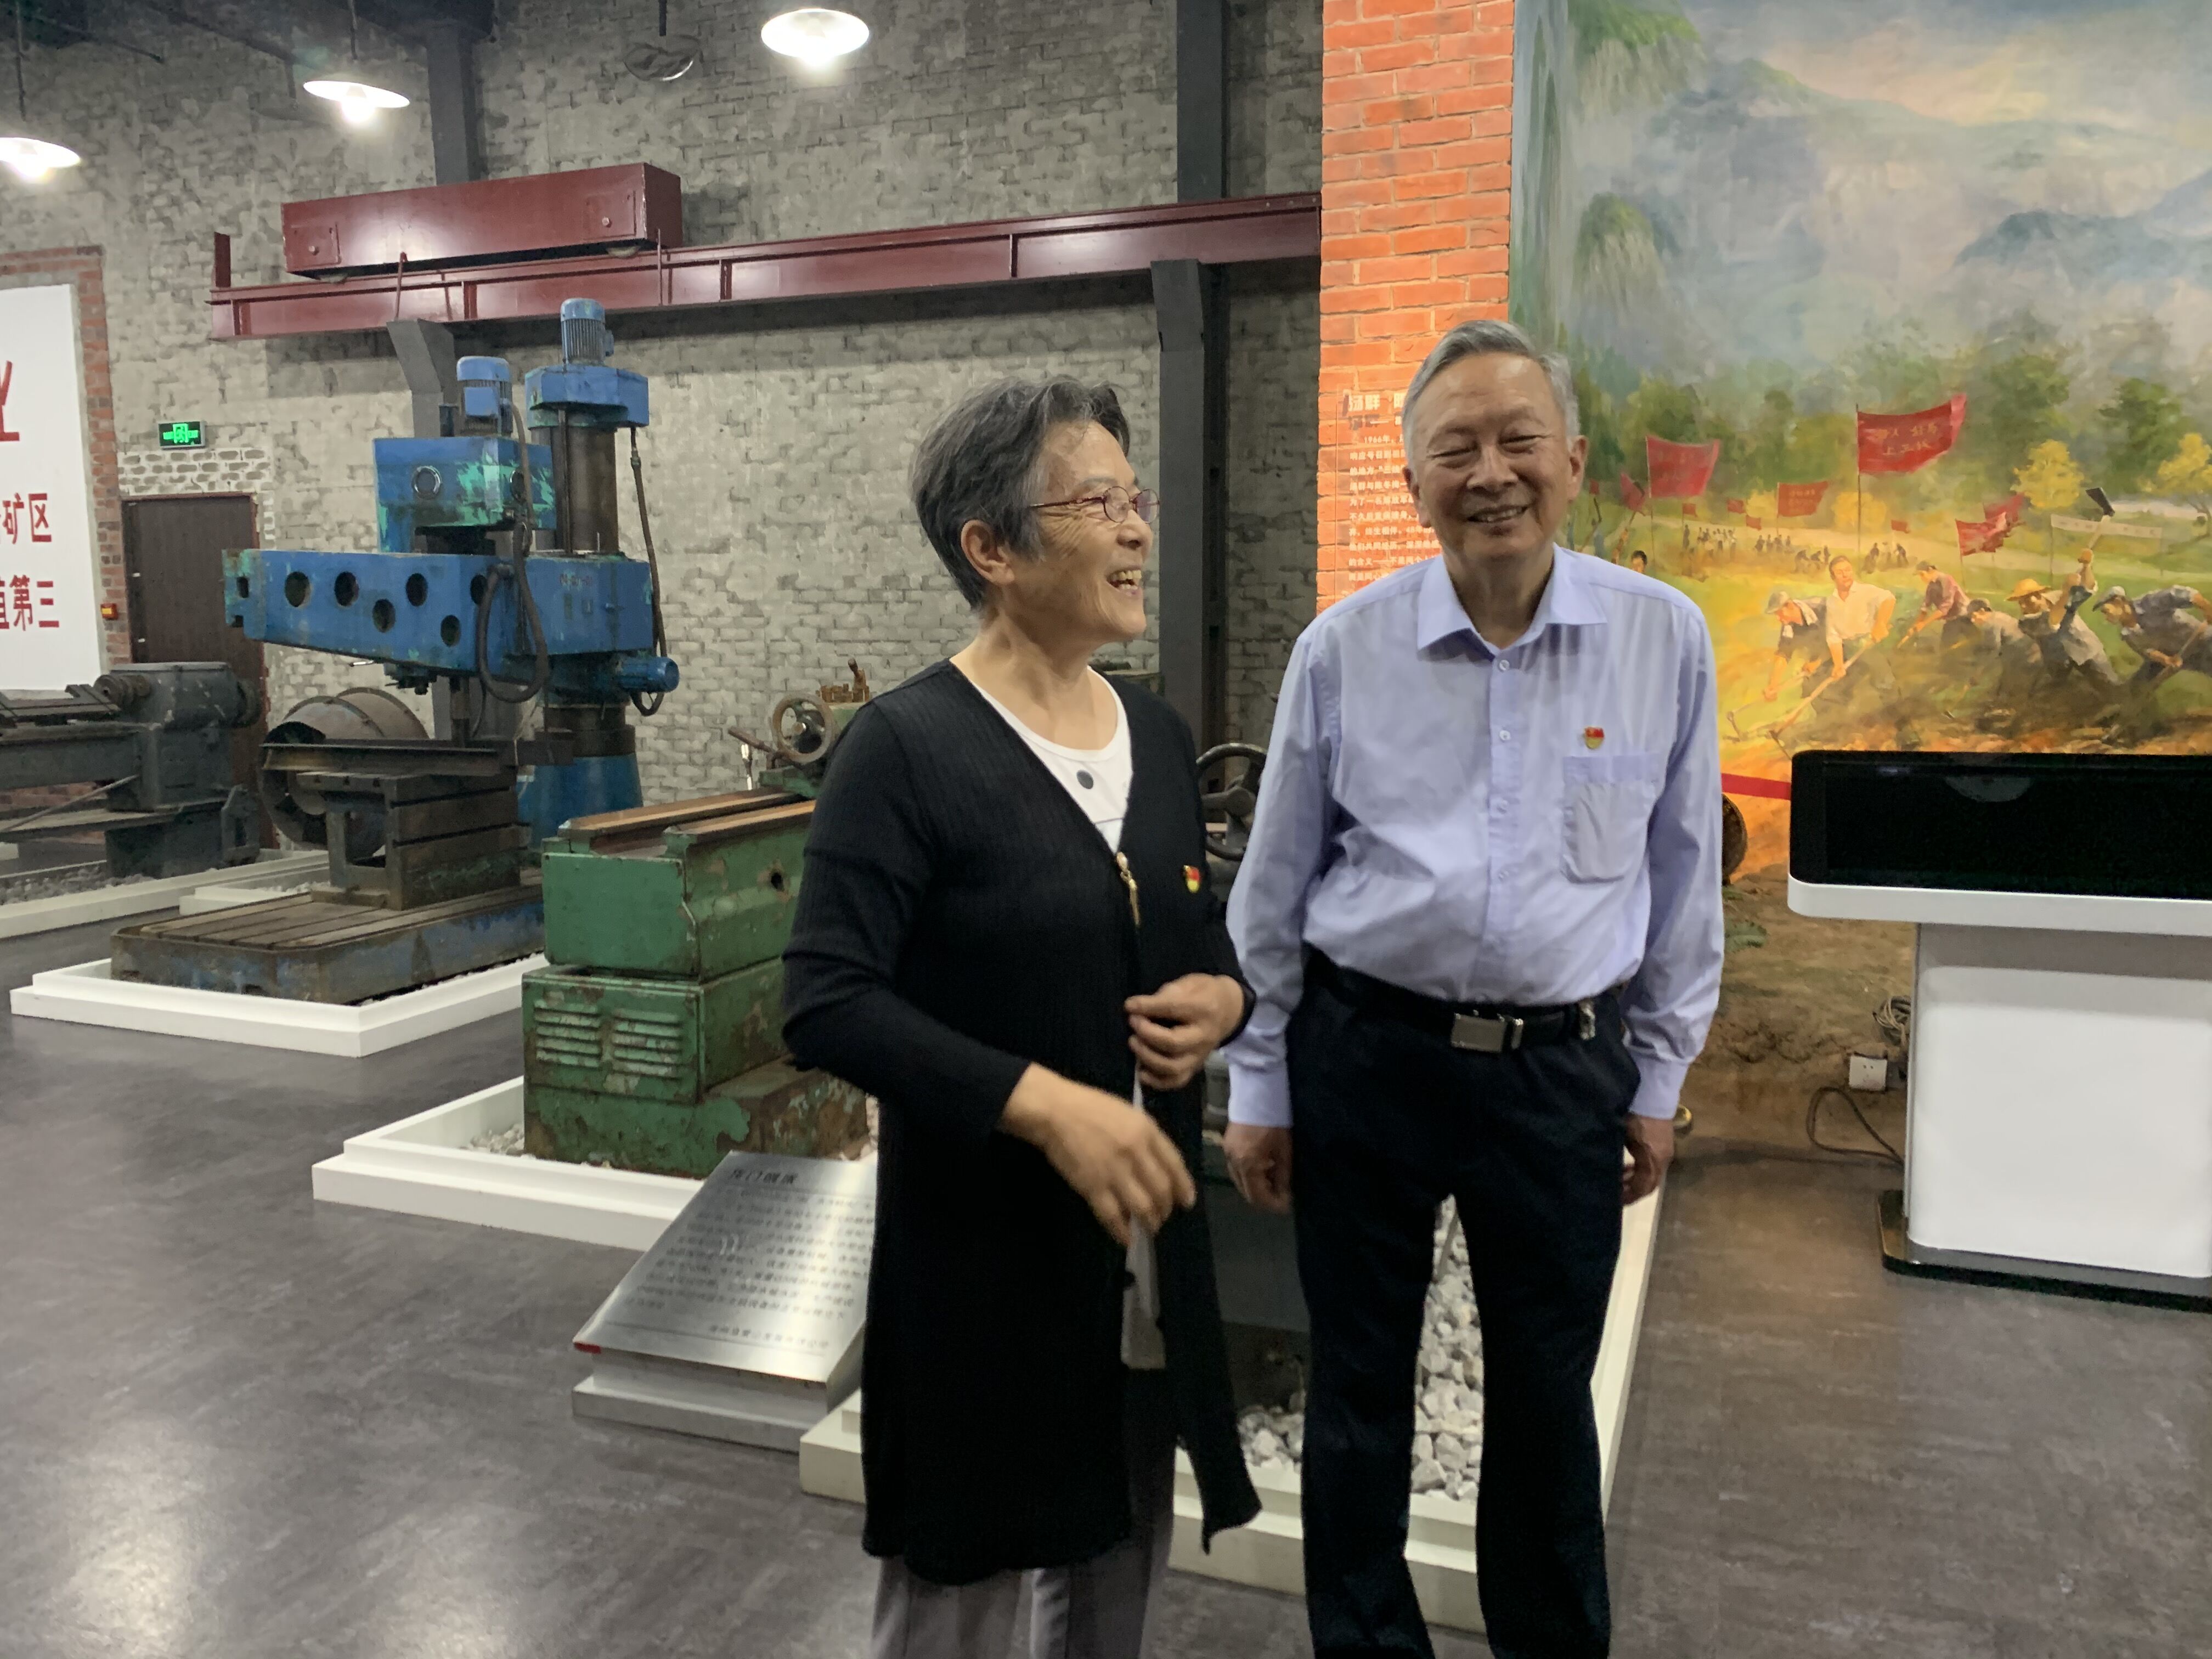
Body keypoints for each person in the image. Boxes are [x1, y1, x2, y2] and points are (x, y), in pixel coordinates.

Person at [1220, 320, 1723, 1659]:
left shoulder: (1660, 640)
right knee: (1359, 1389)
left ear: (1575, 460)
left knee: (1549, 1398)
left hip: (1561, 1074)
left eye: (1518, 441)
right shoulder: (1344, 651)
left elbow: (1684, 879)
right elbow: (1273, 886)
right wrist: (1260, 1081)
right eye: (1456, 450)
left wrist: (1660, 1078)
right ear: (1414, 483)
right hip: (1366, 1058)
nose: (1491, 473)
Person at [782, 377, 1260, 1659]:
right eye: (1097, 503)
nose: (1137, 528)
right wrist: (1045, 1107)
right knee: (965, 1587)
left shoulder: (1154, 735)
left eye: (1134, 498)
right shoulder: (906, 750)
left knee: (1115, 1558)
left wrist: (1227, 995)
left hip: (1141, 1253)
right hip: (981, 1260)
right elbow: (827, 1001)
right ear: (991, 548)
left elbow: (1193, 929)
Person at [2011, 554, 2118, 687]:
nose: (2022, 606)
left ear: (2038, 595)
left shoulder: (2059, 596)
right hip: (2058, 662)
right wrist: (2067, 592)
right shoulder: (2026, 623)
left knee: (2110, 685)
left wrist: (2086, 566)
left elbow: (2088, 588)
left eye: (2026, 600)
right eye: (2020, 602)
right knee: (2057, 692)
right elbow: (2053, 622)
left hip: (2086, 650)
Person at [2096, 583, 2212, 686]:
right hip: (2186, 657)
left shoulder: (2148, 603)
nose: (2106, 618)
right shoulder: (2127, 634)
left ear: (2118, 602)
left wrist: (2207, 608)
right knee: (2141, 680)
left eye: (2106, 611)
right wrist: (2166, 659)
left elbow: (2182, 594)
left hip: (2203, 639)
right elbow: (2147, 651)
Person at [1761, 587, 1830, 701]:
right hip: (1820, 657)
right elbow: (1784, 653)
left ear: (1790, 605)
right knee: (1811, 691)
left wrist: (1818, 662)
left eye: (1780, 613)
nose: (1778, 618)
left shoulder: (1822, 608)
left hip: (1846, 650)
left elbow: (1839, 637)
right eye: (1776, 614)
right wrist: (1773, 685)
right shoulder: (1788, 625)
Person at [1900, 560, 1974, 650]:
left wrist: (1924, 624)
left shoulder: (1946, 579)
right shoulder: (1931, 587)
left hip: (1964, 616)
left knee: (1974, 642)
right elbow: (1925, 607)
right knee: (1945, 649)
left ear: (1930, 570)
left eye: (1922, 574)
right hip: (1951, 620)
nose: (1922, 578)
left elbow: (1946, 606)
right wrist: (1915, 626)